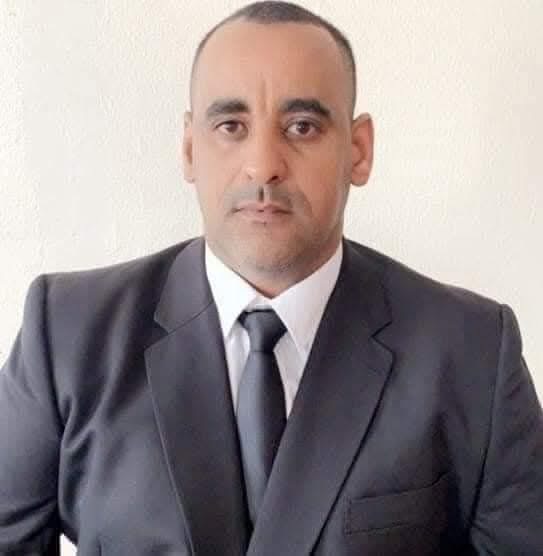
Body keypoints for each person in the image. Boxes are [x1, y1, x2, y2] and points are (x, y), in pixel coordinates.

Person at [1, 1, 542, 554]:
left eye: (302, 127)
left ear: (358, 151)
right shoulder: (66, 334)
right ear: (189, 148)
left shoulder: (473, 353)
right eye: (230, 126)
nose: (263, 164)